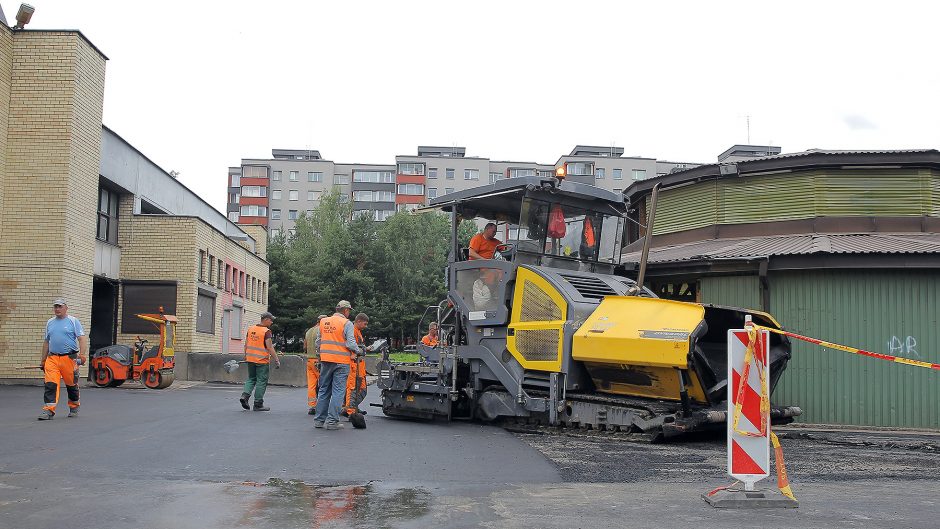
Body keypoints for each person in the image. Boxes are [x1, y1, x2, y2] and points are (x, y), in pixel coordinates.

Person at [314, 300, 362, 430]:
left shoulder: (324, 322)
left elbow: (318, 342)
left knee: (324, 390)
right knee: (338, 392)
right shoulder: (346, 323)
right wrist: (358, 350)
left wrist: (320, 355)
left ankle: (319, 421)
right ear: (346, 311)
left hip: (325, 360)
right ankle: (332, 422)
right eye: (349, 311)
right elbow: (351, 343)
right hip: (341, 362)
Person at [38, 298, 88, 420]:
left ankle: (74, 406)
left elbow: (82, 338)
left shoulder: (73, 321)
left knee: (71, 384)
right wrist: (43, 360)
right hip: (53, 358)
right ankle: (49, 410)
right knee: (50, 384)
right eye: (55, 307)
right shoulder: (50, 322)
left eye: (60, 306)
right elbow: (46, 342)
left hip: (70, 358)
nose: (57, 309)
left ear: (66, 308)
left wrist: (82, 355)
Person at [239, 312, 281, 412]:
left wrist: (246, 356)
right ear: (265, 319)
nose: (271, 322)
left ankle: (244, 396)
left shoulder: (251, 329)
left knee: (251, 379)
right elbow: (270, 348)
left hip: (250, 359)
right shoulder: (266, 332)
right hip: (262, 360)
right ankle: (258, 404)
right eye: (271, 320)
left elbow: (246, 344)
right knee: (261, 381)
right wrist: (277, 359)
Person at [344, 313, 369, 418]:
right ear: (358, 321)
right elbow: (349, 346)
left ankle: (352, 407)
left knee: (362, 389)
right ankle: (350, 411)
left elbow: (358, 346)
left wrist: (365, 349)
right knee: (353, 388)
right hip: (354, 365)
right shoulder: (352, 331)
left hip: (360, 365)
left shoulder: (358, 332)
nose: (366, 326)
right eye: (365, 324)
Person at [304, 315, 328, 415]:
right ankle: (323, 406)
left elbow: (304, 346)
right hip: (319, 360)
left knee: (312, 384)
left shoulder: (309, 331)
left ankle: (312, 406)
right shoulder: (321, 330)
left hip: (309, 360)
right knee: (324, 384)